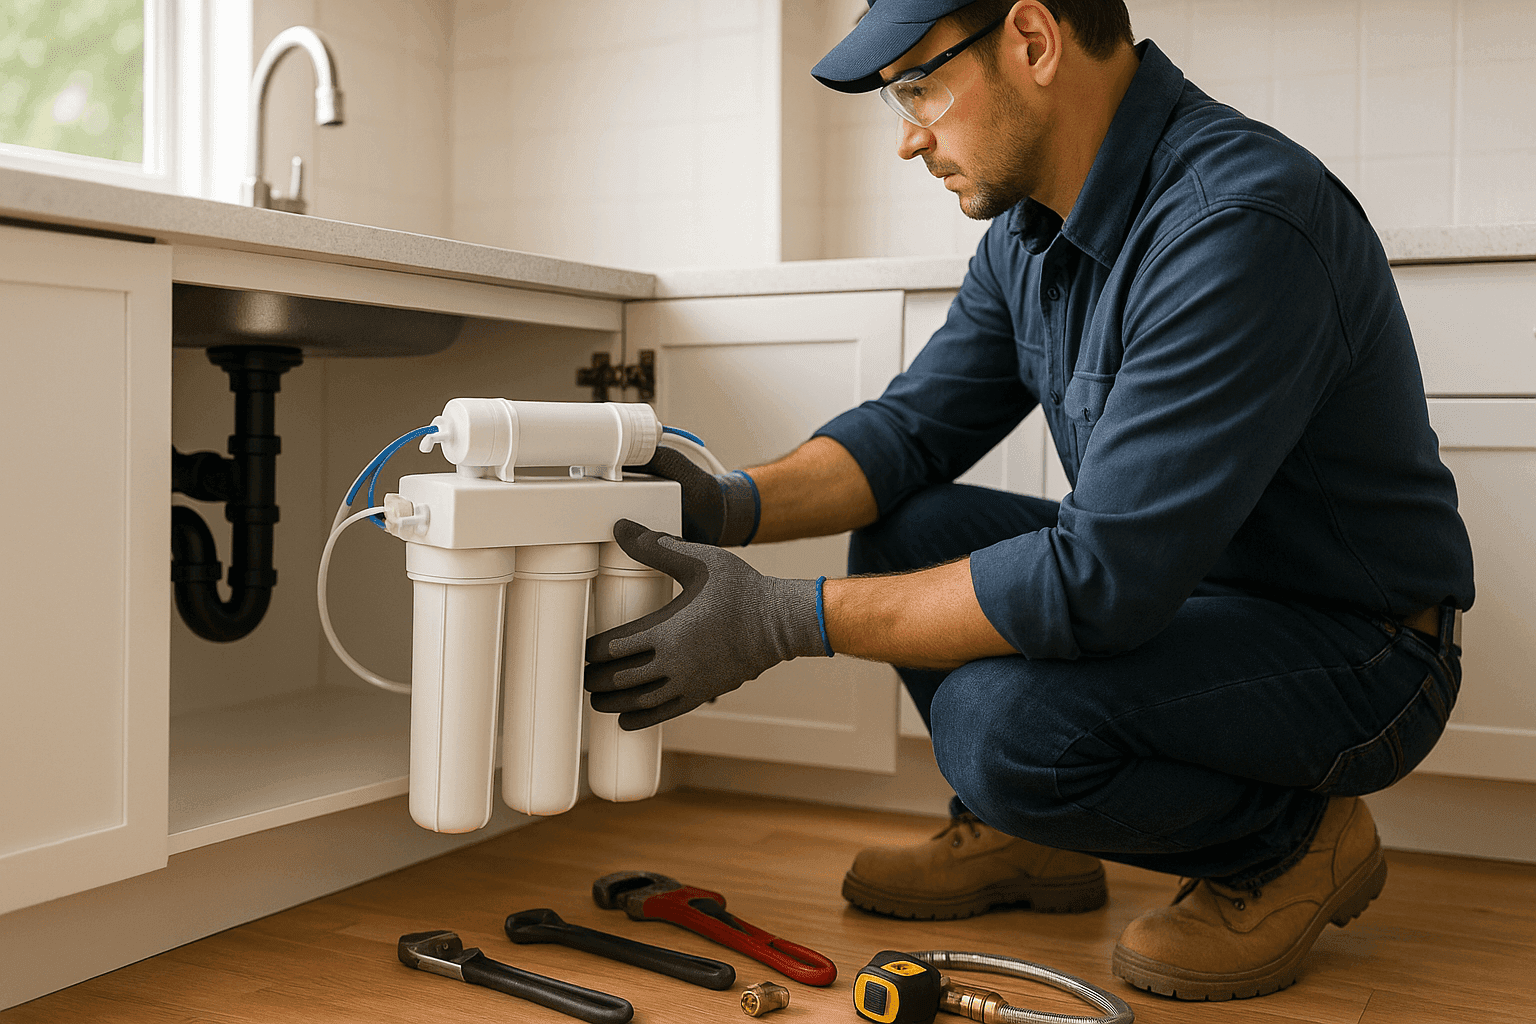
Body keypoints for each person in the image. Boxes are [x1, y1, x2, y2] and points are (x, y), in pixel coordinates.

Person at [584, 0, 1474, 1002]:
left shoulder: (1237, 221)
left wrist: (782, 619)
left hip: (1352, 647)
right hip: (1189, 598)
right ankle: (1032, 845)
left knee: (1000, 726)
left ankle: (1292, 844)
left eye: (920, 85)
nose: (910, 136)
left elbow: (1102, 580)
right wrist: (720, 504)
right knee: (910, 520)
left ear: (1035, 40)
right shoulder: (1028, 233)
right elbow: (908, 434)